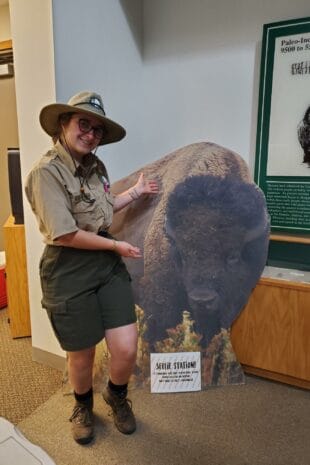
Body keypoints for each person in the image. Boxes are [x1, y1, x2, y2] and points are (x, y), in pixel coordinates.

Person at [25, 91, 159, 445]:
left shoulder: (95, 167)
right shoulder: (45, 173)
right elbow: (66, 234)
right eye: (83, 123)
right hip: (67, 267)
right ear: (63, 124)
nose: (90, 133)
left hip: (103, 262)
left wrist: (135, 192)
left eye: (97, 129)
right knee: (81, 354)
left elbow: (100, 210)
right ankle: (83, 406)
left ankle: (116, 395)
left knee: (127, 346)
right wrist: (116, 245)